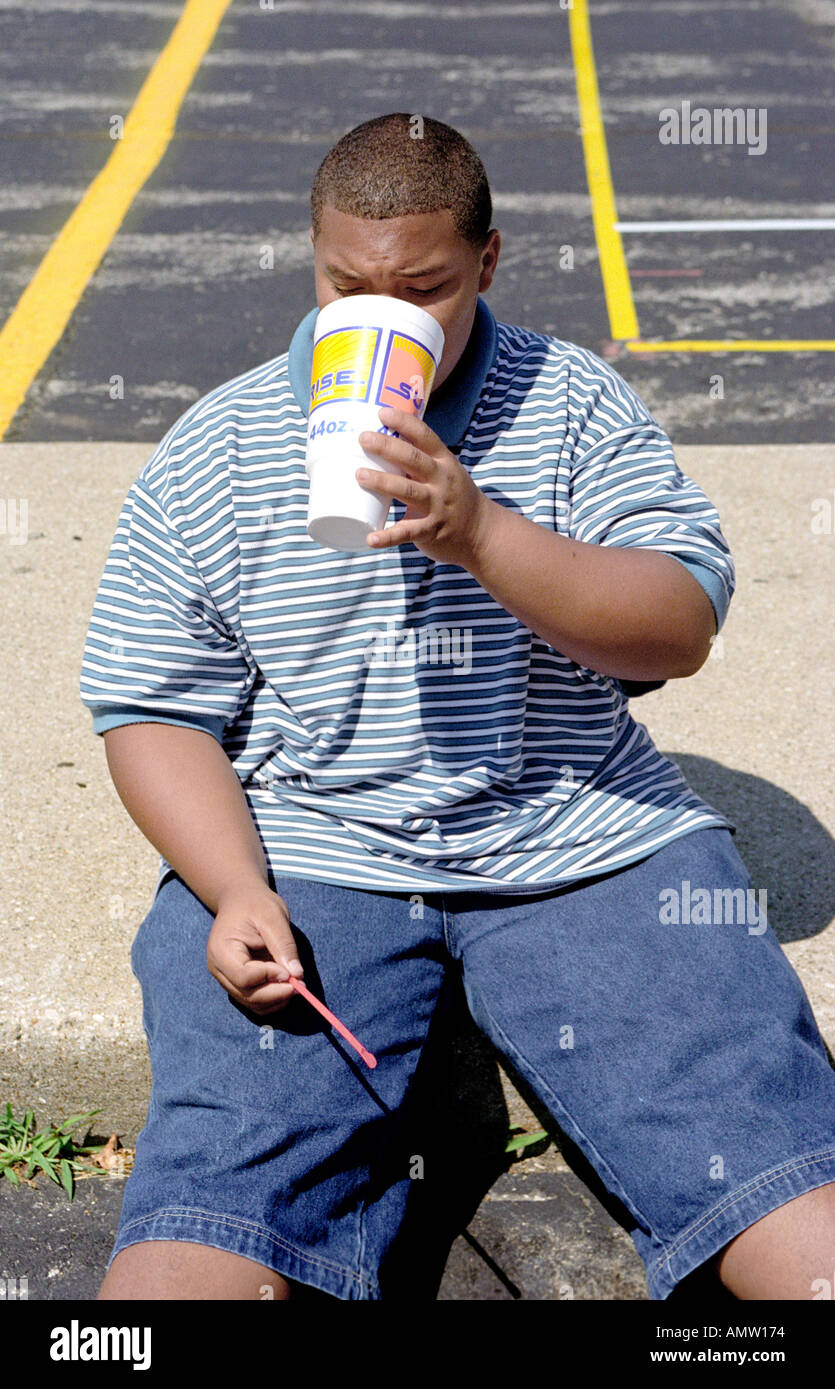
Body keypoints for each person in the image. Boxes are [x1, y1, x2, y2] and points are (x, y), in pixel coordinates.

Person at [80, 113, 835, 1301]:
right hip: (310, 847)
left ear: (487, 262)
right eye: (347, 284)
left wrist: (482, 531)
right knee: (202, 1239)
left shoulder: (570, 403)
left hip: (580, 839)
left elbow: (678, 620)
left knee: (788, 1213)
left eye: (423, 288)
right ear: (314, 260)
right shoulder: (217, 446)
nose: (380, 312)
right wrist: (232, 891)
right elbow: (149, 703)